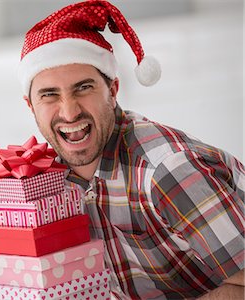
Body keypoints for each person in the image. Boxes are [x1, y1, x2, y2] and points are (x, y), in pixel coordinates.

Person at [16, 0, 244, 299]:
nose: (69, 112)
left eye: (83, 88)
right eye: (50, 95)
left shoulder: (166, 169)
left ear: (112, 91)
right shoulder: (50, 183)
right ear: (30, 106)